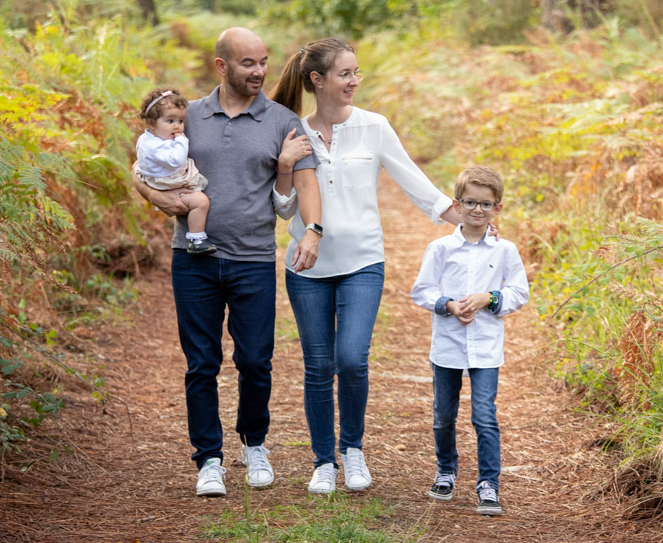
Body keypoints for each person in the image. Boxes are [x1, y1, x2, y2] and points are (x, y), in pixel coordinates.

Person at [132, 27, 322, 498]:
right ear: (222, 66)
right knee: (202, 363)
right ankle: (209, 459)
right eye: (248, 63)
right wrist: (158, 197)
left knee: (256, 360)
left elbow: (300, 189)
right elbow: (140, 166)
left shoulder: (282, 121)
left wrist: (313, 229)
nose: (259, 71)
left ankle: (253, 443)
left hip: (253, 258)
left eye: (262, 62)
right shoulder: (187, 115)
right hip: (193, 259)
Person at [270, 37, 463, 495]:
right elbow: (282, 209)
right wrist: (283, 167)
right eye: (344, 74)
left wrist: (471, 220)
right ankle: (323, 462)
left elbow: (416, 183)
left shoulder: (374, 127)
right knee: (318, 366)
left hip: (362, 262)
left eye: (356, 73)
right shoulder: (293, 132)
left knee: (351, 360)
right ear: (317, 80)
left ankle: (352, 450)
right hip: (306, 268)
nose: (354, 81)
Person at [410, 166, 529, 516]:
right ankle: (446, 470)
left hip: (486, 348)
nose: (478, 210)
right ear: (457, 205)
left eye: (486, 204)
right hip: (447, 345)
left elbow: (519, 292)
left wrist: (488, 298)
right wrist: (447, 304)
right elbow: (422, 290)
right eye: (470, 203)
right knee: (443, 415)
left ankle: (488, 482)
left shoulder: (505, 251)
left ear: (497, 208)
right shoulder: (440, 248)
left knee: (484, 416)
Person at [134, 87, 216, 255]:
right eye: (170, 121)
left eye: (180, 121)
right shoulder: (155, 145)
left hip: (161, 178)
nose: (177, 127)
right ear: (151, 122)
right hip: (167, 182)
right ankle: (196, 239)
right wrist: (182, 141)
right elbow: (175, 160)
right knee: (201, 202)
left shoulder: (150, 138)